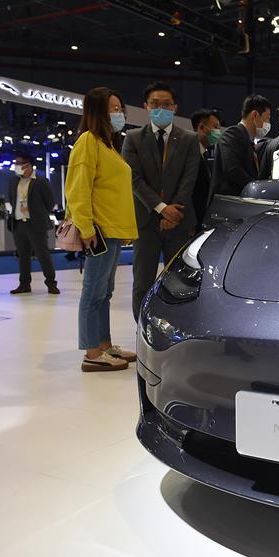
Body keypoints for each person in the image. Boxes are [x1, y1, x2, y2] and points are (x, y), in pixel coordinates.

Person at [65, 87, 138, 372]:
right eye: (113, 108)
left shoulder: (108, 145)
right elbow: (77, 188)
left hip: (113, 230)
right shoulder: (88, 141)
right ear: (98, 111)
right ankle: (92, 353)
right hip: (99, 230)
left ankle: (104, 344)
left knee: (104, 292)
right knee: (93, 292)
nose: (119, 113)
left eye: (120, 108)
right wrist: (86, 227)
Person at [123, 82, 201, 322]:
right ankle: (142, 331)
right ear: (146, 107)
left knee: (179, 283)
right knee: (142, 282)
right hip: (146, 222)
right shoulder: (133, 138)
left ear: (175, 107)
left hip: (179, 220)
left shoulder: (189, 139)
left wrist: (173, 211)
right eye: (155, 104)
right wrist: (162, 209)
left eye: (166, 104)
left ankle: (176, 329)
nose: (161, 109)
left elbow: (189, 179)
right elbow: (134, 179)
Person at [7, 152, 59, 294]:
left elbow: (50, 202)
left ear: (29, 165)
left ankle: (51, 283)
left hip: (36, 224)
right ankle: (24, 284)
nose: (17, 166)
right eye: (16, 163)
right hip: (18, 223)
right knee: (23, 256)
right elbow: (12, 199)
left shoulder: (41, 181)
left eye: (20, 163)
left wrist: (38, 214)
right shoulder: (13, 181)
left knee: (43, 255)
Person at [214, 94, 273, 196]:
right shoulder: (233, 134)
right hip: (230, 201)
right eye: (267, 118)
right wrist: (256, 189)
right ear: (255, 115)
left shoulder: (250, 141)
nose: (268, 123)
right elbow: (232, 170)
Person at [191, 108, 222, 227]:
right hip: (191, 221)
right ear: (201, 128)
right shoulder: (190, 154)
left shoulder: (204, 154)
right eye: (215, 127)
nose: (218, 131)